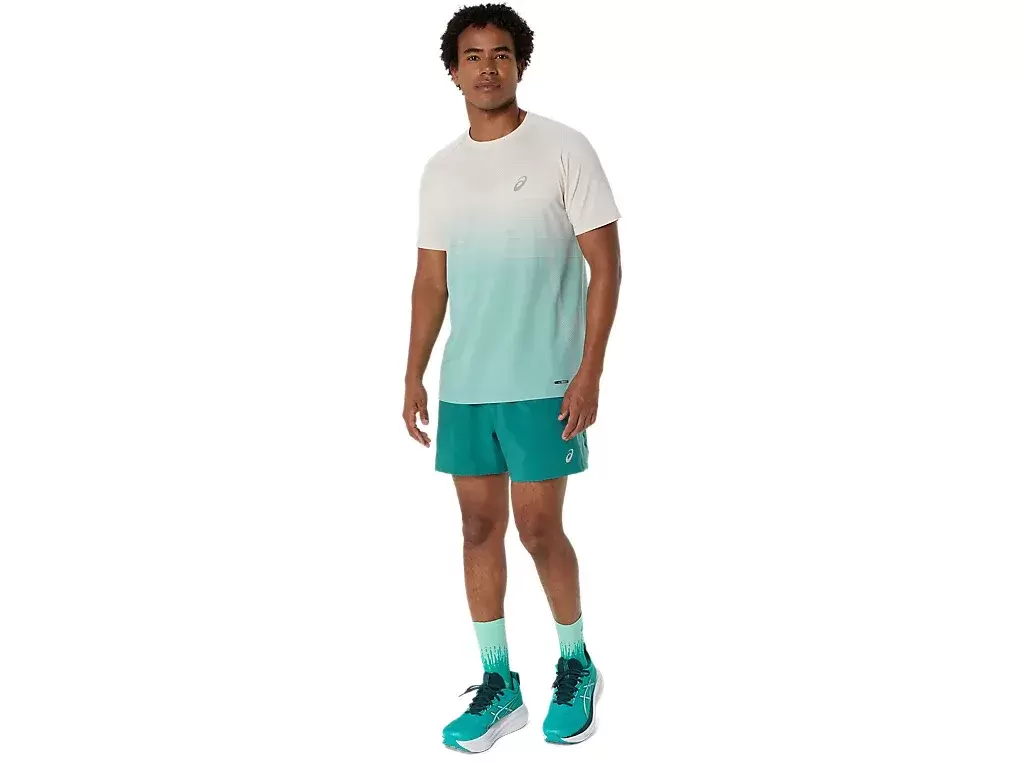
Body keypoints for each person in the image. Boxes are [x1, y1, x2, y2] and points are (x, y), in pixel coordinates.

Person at [403, 3, 622, 753]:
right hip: (467, 384)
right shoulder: (441, 170)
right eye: (472, 56)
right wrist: (413, 374)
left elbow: (606, 267)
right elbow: (431, 281)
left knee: (537, 528)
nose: (487, 67)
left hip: (543, 381)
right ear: (453, 70)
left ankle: (576, 660)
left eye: (500, 53)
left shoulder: (564, 148)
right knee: (476, 528)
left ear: (520, 64)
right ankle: (498, 683)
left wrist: (590, 372)